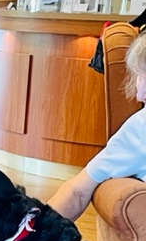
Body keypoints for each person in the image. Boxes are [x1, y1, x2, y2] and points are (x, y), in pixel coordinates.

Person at [48, 30, 146, 221]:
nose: (140, 94)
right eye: (140, 77)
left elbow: (78, 191)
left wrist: (25, 240)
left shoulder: (141, 126)